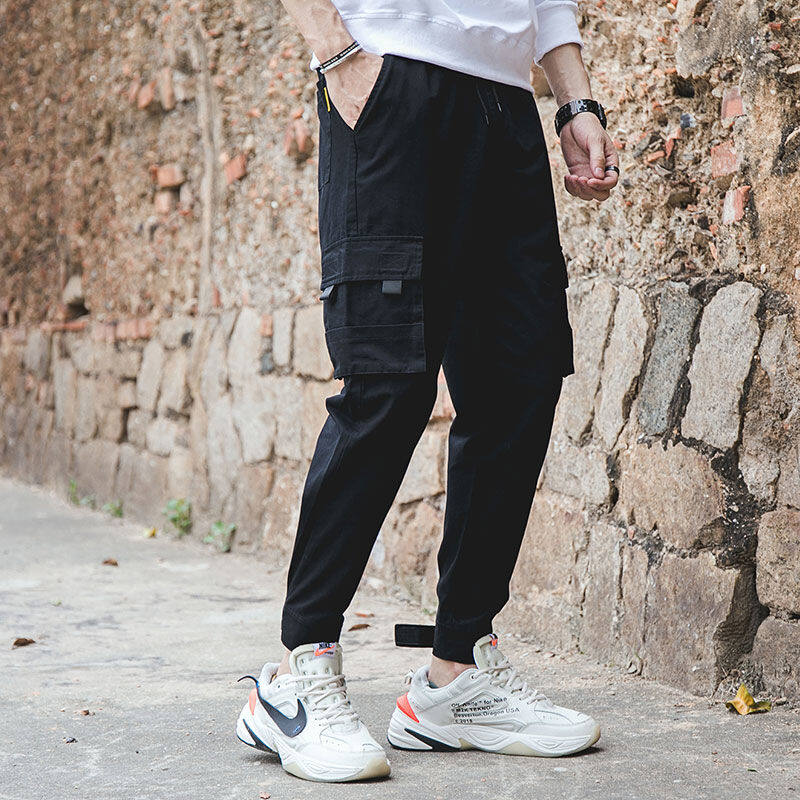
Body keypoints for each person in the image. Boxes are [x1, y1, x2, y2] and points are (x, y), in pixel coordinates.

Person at [236, 0, 619, 782]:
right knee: (387, 386)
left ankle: (455, 676)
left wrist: (574, 100)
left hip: (505, 107)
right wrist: (337, 56)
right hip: (389, 85)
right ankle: (296, 671)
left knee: (518, 384)